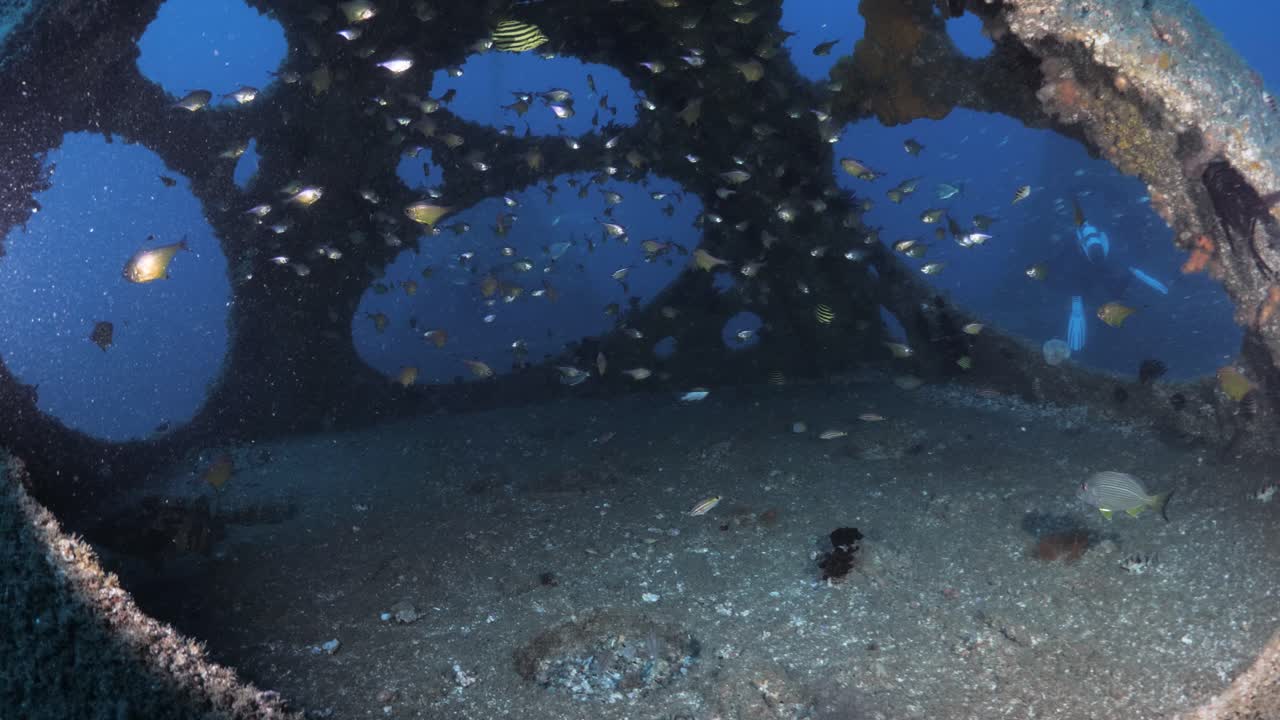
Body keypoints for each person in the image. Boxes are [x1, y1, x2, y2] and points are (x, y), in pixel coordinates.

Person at [1050, 198, 1169, 352]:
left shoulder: (1082, 244)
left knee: (1102, 285)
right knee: (1109, 285)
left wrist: (1076, 305)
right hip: (1097, 267)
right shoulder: (1098, 241)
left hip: (1095, 268)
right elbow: (1122, 260)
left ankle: (1118, 304)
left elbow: (1072, 275)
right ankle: (1120, 303)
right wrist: (1138, 273)